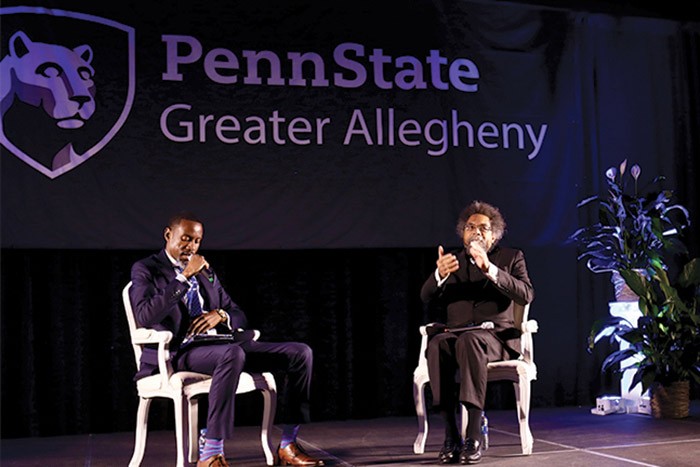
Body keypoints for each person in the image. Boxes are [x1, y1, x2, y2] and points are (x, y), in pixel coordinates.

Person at [130, 212, 324, 467]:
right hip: (180, 352)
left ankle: (288, 444)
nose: (191, 247)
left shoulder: (206, 272)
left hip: (222, 346)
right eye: (185, 239)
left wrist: (220, 314)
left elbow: (238, 314)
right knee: (233, 354)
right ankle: (211, 452)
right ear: (168, 235)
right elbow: (144, 315)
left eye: (197, 241)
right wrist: (183, 277)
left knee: (300, 352)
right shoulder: (147, 269)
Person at [420, 201, 534, 465]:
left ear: (494, 234)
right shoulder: (451, 261)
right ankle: (451, 436)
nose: (477, 232)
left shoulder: (510, 257)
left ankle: (472, 436)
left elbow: (526, 294)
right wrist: (438, 274)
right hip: (457, 336)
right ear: (463, 233)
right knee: (438, 344)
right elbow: (425, 296)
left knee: (471, 340)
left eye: (484, 228)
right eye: (471, 227)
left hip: (496, 338)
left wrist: (489, 270)